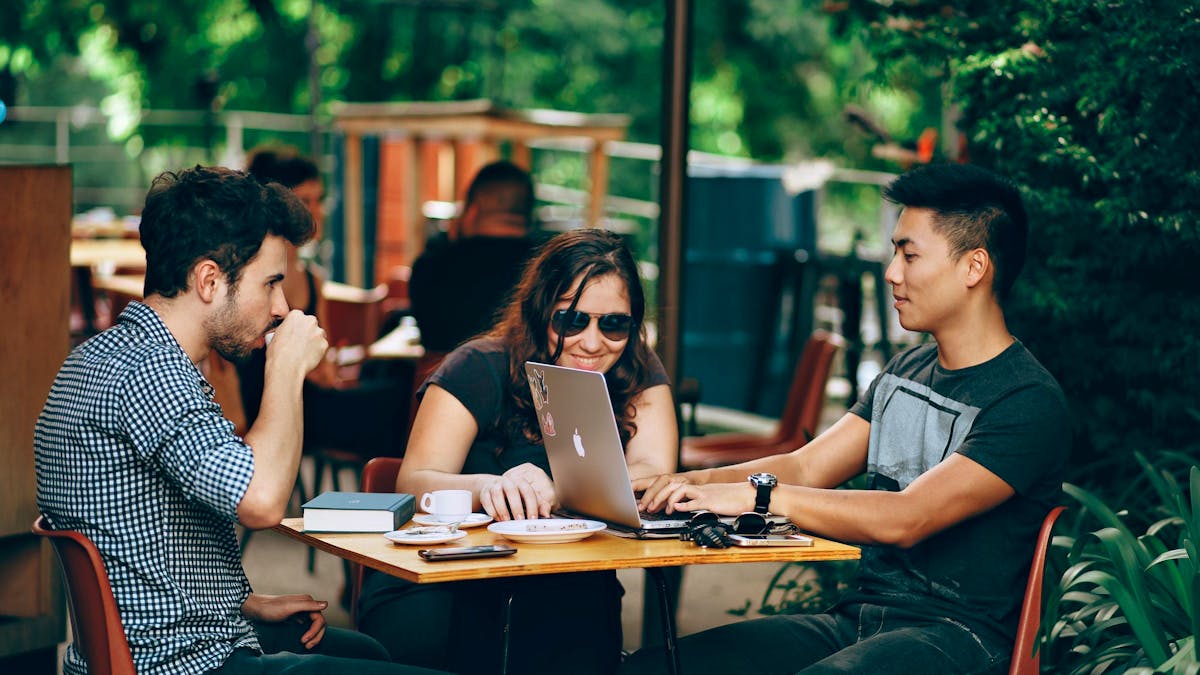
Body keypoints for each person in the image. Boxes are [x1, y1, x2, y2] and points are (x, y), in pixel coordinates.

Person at [623, 163, 1070, 675]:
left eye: (910, 254)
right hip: (859, 620)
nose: (891, 273)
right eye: (894, 252)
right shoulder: (908, 369)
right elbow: (809, 466)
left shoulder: (1025, 399)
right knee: (657, 668)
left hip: (961, 636)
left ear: (974, 267)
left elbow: (908, 518)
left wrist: (759, 495)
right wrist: (685, 483)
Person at [34, 166, 443, 675]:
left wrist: (240, 603)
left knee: (368, 653)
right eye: (271, 283)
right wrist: (287, 367)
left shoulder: (107, 357)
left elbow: (137, 540)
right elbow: (263, 502)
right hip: (181, 664)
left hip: (165, 642)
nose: (282, 306)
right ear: (209, 280)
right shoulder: (150, 373)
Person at [356, 228, 678, 674]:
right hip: (447, 581)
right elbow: (414, 481)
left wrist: (563, 487)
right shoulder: (479, 365)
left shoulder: (636, 368)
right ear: (540, 311)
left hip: (566, 587)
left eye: (614, 323)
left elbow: (655, 469)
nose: (592, 341)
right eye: (571, 320)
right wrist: (492, 487)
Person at [407, 160, 541, 353]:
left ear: (472, 210)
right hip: (521, 381)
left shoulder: (430, 266)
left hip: (442, 379)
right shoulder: (547, 268)